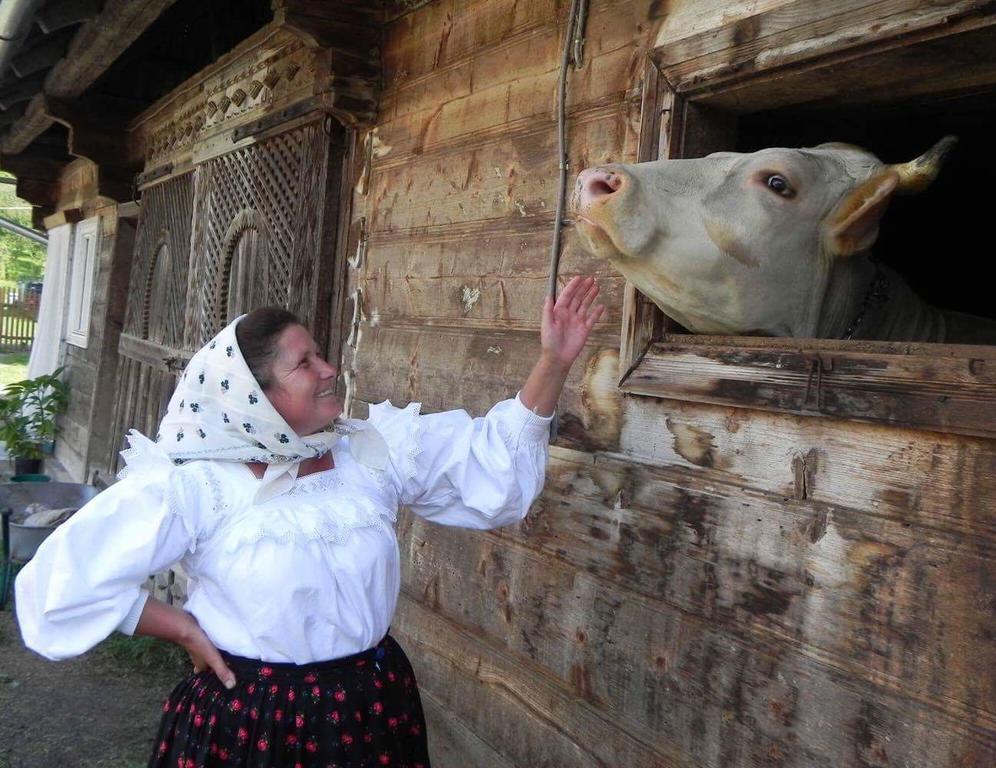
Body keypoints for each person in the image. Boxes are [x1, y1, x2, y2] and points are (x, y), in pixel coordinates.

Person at [15, 276, 605, 767]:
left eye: (321, 353)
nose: (329, 370)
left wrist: (553, 361)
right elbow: (59, 584)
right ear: (255, 398)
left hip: (372, 710)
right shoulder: (195, 483)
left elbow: (491, 471)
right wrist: (183, 628)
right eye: (305, 364)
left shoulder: (368, 453)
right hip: (252, 723)